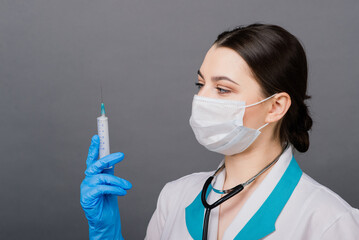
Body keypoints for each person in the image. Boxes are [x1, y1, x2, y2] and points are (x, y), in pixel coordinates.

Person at [80, 23, 359, 240]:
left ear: (275, 106)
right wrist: (107, 234)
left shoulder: (328, 221)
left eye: (223, 89)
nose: (203, 99)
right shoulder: (176, 197)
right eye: (200, 84)